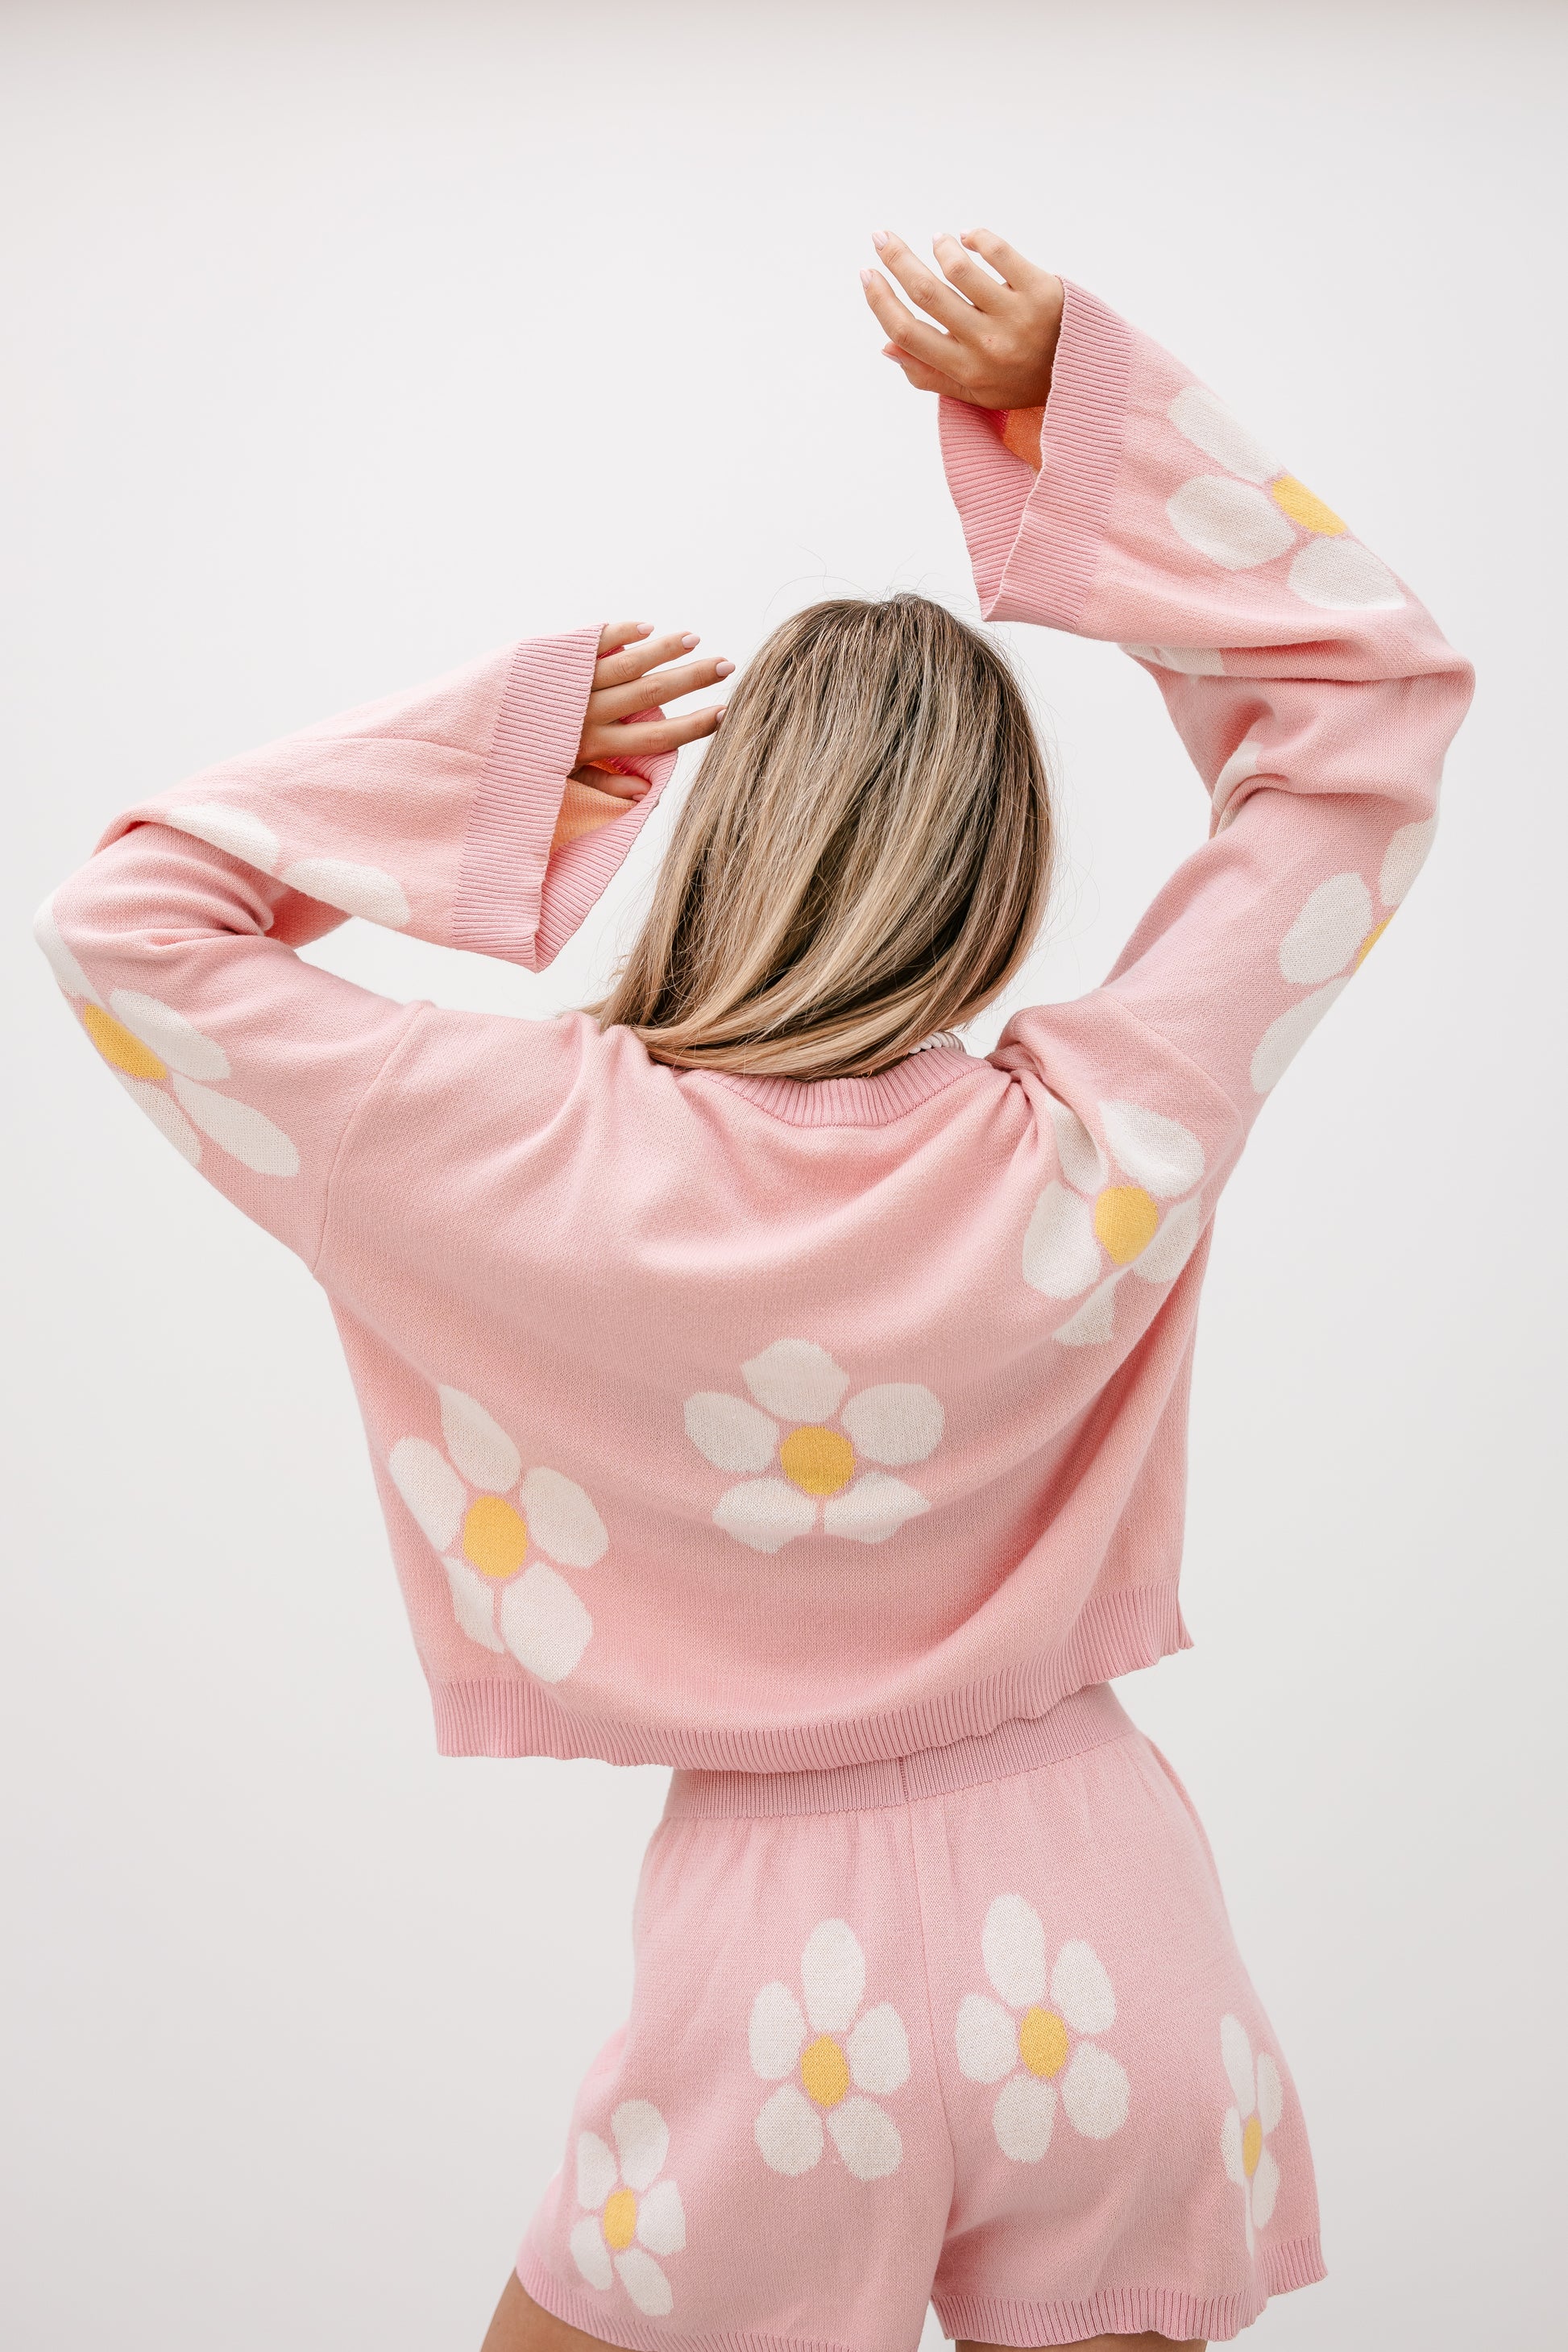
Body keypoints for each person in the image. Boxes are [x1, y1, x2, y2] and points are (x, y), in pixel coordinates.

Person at [35, 226, 1471, 2352]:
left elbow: (123, 930)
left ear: (727, 835)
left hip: (777, 1991)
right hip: (1114, 1936)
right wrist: (1080, 409)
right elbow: (1370, 712)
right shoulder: (1107, 1131)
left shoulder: (519, 1148)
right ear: (1002, 870)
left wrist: (488, 763)